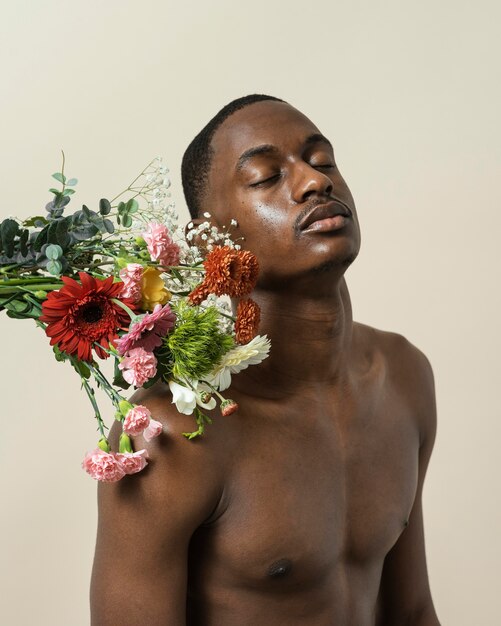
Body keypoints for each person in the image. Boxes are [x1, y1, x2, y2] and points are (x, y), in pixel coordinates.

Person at [90, 94, 441, 625]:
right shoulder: (169, 434)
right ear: (210, 243)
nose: (314, 182)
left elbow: (411, 613)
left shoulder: (405, 376)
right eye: (265, 176)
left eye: (322, 161)